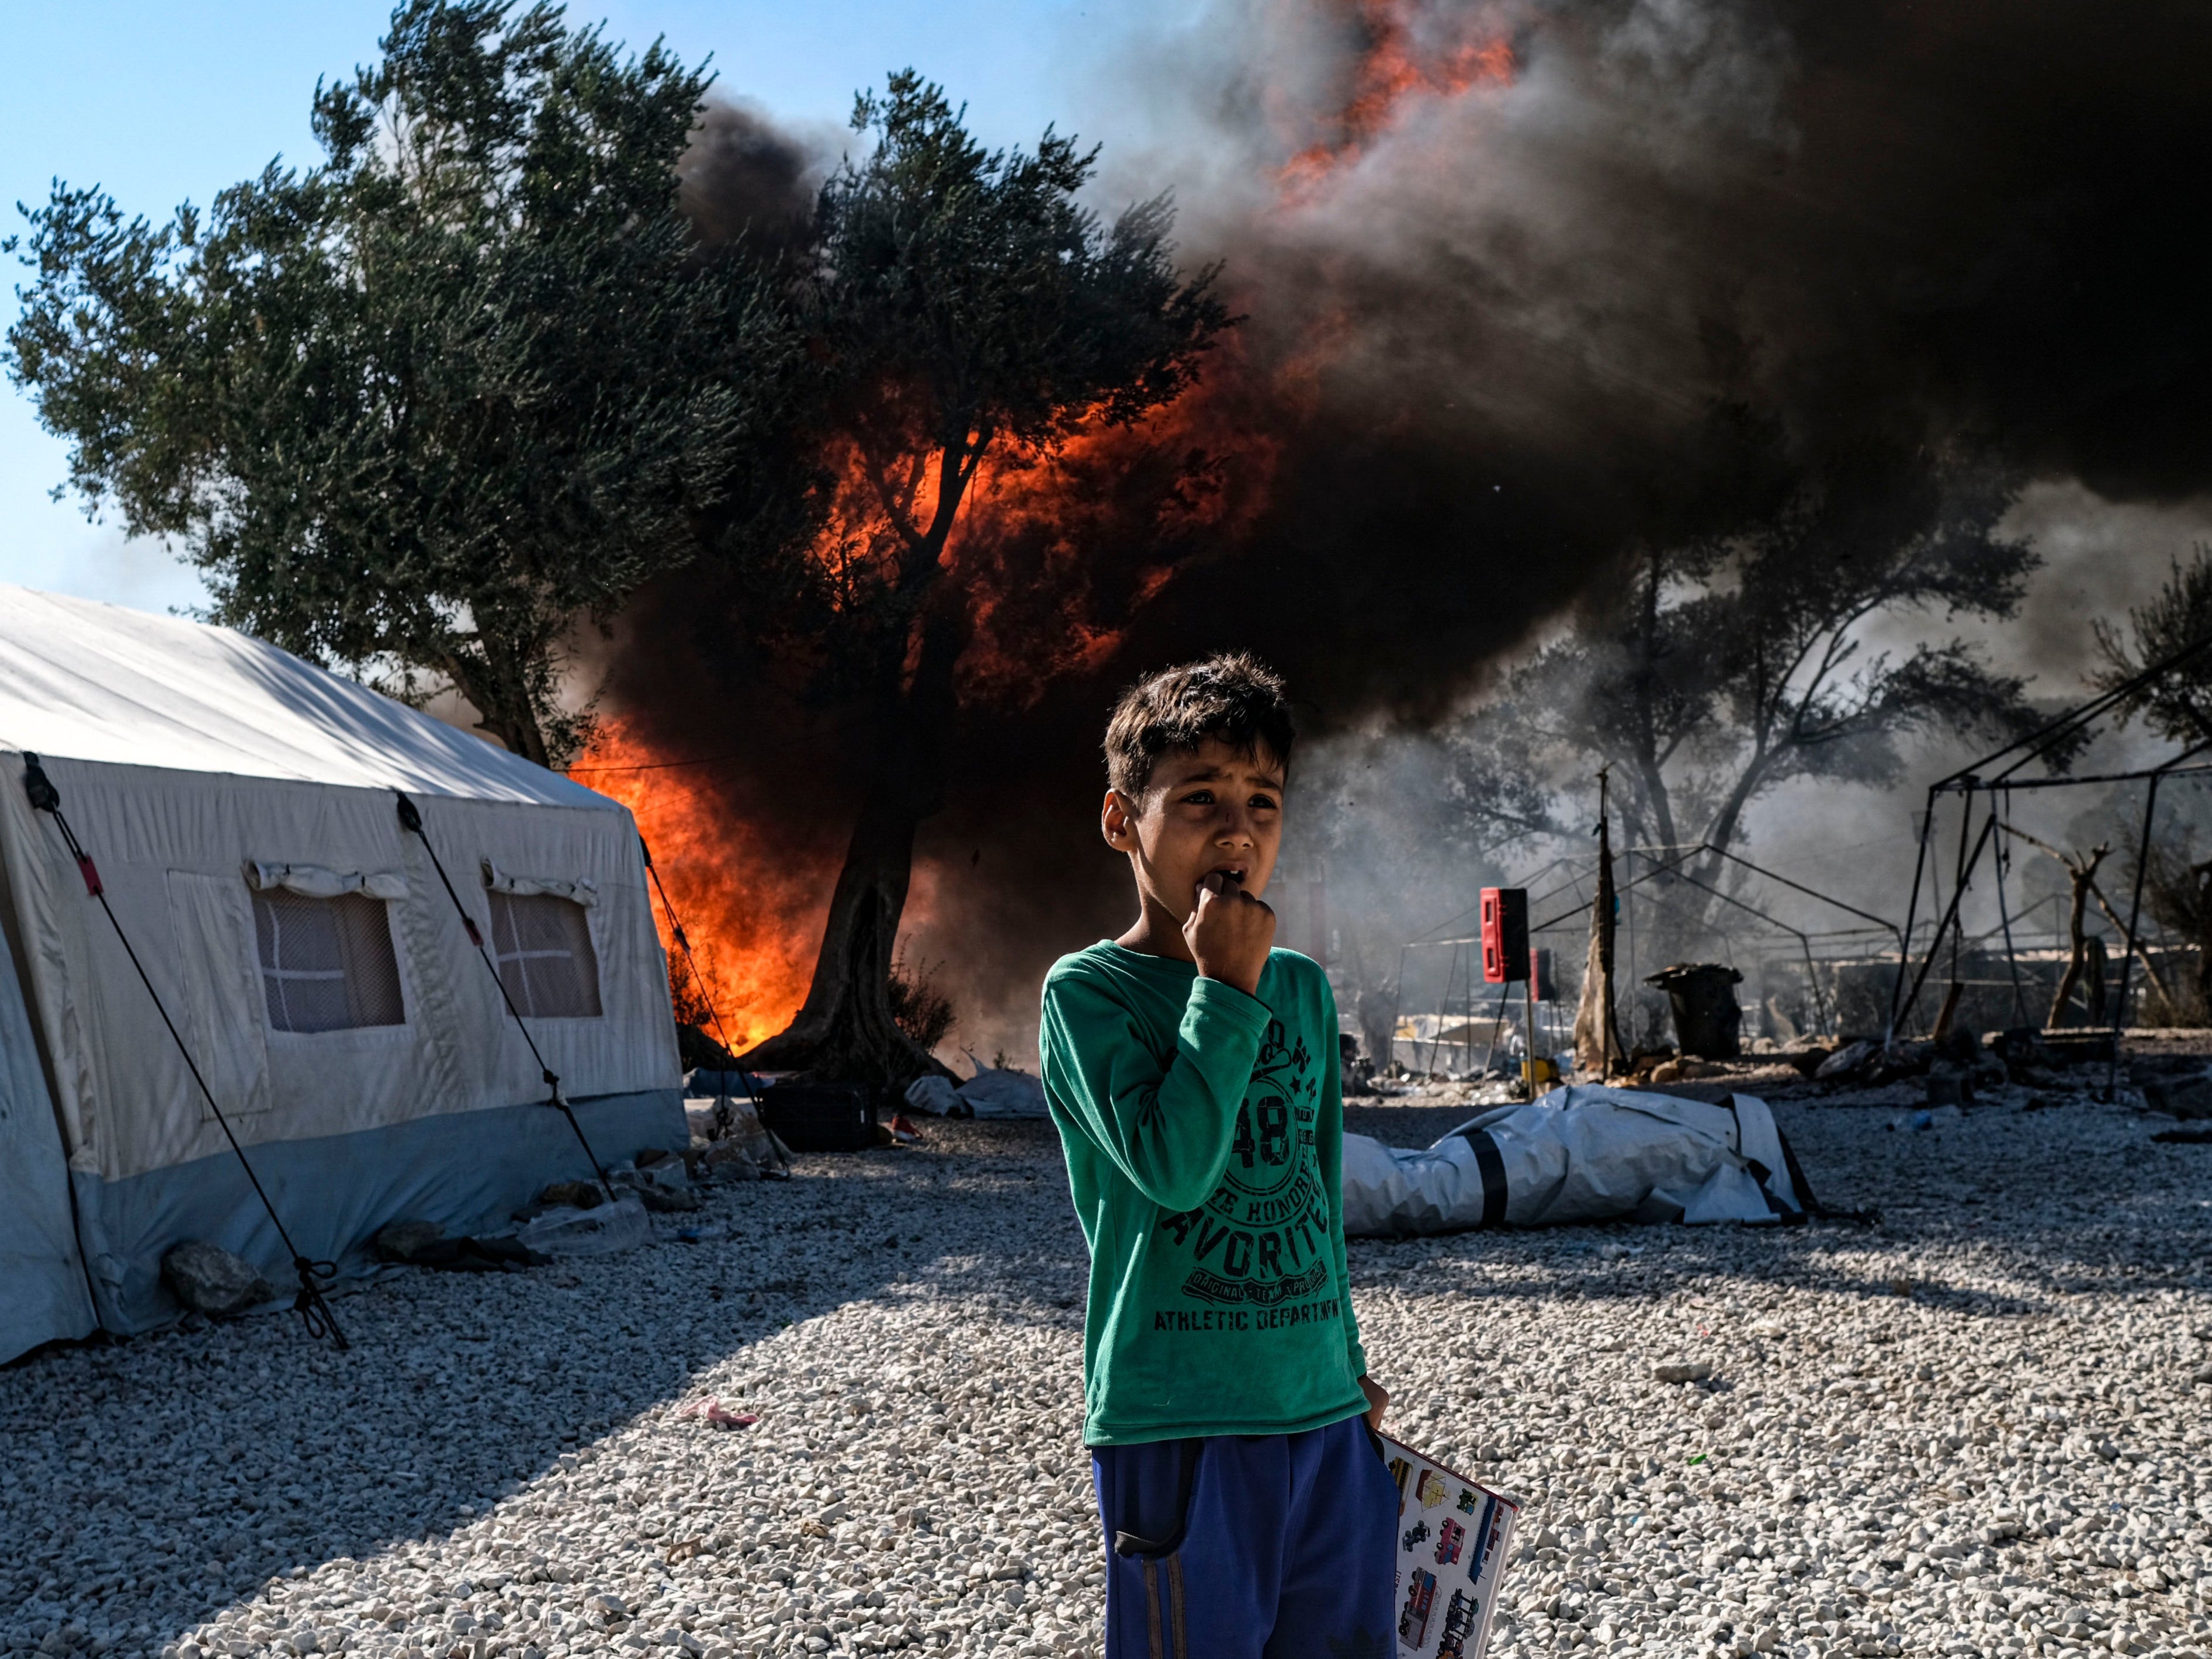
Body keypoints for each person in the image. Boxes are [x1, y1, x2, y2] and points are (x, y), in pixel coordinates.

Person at [1038, 653, 1397, 1659]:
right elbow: (1174, 1168)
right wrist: (1222, 990)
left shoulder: (1304, 990)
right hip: (1177, 1424)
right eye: (1197, 799)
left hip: (1321, 1417)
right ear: (1122, 822)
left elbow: (1316, 1199)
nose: (1236, 830)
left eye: (1262, 801)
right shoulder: (1088, 994)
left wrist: (1346, 1367)